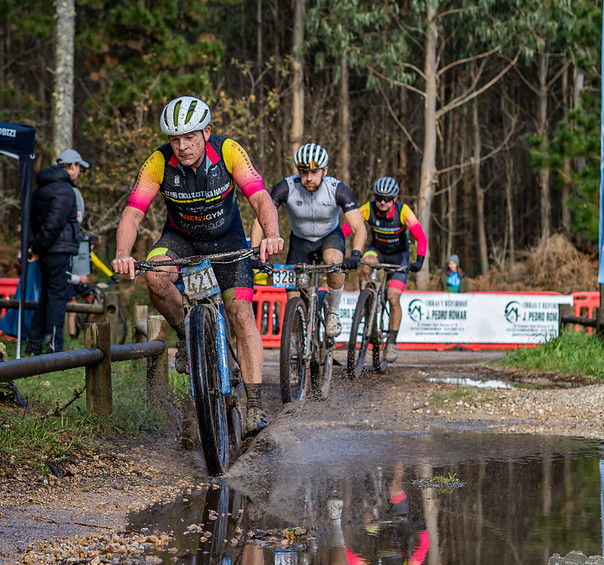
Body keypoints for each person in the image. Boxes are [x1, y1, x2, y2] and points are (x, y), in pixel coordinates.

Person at [112, 95, 283, 432]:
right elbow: (133, 212)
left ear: (206, 132)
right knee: (156, 275)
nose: (182, 146)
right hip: (181, 238)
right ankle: (186, 336)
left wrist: (271, 234)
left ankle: (255, 406)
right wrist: (122, 253)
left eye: (189, 137)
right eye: (175, 139)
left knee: (241, 314)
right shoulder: (158, 163)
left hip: (228, 239)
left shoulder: (230, 151)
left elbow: (261, 197)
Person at [251, 143, 367, 338]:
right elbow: (260, 219)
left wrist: (356, 254)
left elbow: (358, 226)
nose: (308, 178)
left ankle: (333, 312)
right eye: (304, 172)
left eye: (314, 172)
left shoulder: (337, 189)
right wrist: (257, 252)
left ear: (325, 170)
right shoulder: (286, 187)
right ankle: (295, 347)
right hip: (300, 242)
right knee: (293, 297)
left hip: (329, 237)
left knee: (334, 261)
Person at [342, 176, 427, 363]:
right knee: (365, 265)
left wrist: (419, 261)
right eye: (379, 197)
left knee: (393, 297)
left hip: (399, 256)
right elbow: (348, 228)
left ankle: (392, 342)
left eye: (387, 199)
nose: (382, 202)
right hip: (377, 250)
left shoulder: (404, 211)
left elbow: (421, 237)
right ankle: (367, 300)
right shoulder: (368, 208)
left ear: (394, 199)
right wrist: (335, 245)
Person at [24, 149, 88, 354]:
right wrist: (38, 248)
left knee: (47, 296)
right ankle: (54, 346)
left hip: (46, 250)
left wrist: (36, 247)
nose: (79, 171)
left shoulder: (43, 188)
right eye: (78, 166)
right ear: (71, 166)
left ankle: (34, 342)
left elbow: (36, 222)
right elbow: (54, 224)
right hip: (59, 250)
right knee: (58, 298)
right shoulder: (64, 190)